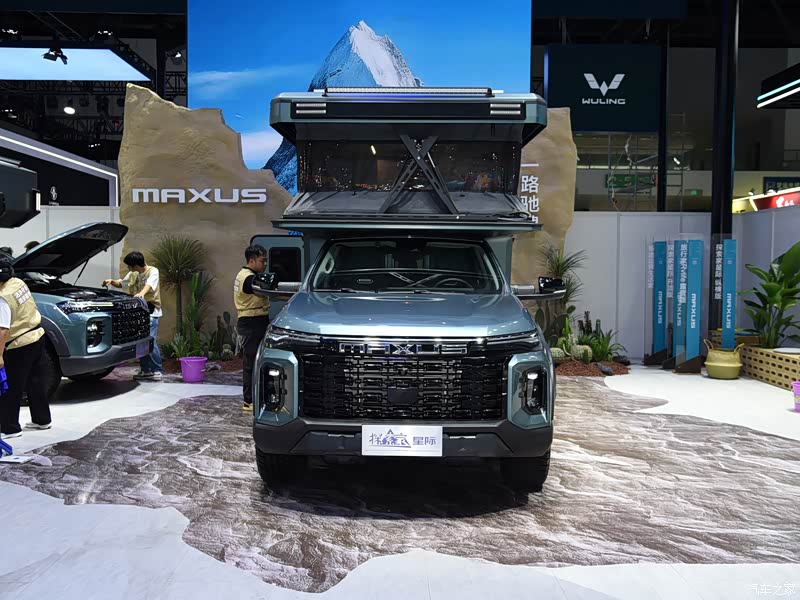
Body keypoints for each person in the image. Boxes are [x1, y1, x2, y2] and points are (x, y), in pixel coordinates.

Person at [0, 255, 52, 439]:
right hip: (37, 336)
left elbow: (3, 330)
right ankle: (42, 420)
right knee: (36, 382)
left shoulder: (3, 298)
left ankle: (10, 428)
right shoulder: (18, 283)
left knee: (11, 387)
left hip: (19, 344)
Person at [103, 252, 163, 380]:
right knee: (140, 343)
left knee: (150, 341)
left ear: (135, 265)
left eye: (130, 266)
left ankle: (157, 370)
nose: (129, 268)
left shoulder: (153, 271)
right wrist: (111, 281)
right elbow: (122, 283)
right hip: (138, 313)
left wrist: (141, 294)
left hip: (151, 312)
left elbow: (149, 285)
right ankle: (145, 370)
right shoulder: (133, 274)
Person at [234, 245, 270, 411]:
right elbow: (258, 285)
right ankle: (249, 401)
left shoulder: (244, 275)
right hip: (252, 323)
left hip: (254, 321)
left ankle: (255, 398)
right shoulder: (248, 278)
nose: (265, 264)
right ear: (251, 261)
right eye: (262, 261)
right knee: (250, 364)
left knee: (254, 362)